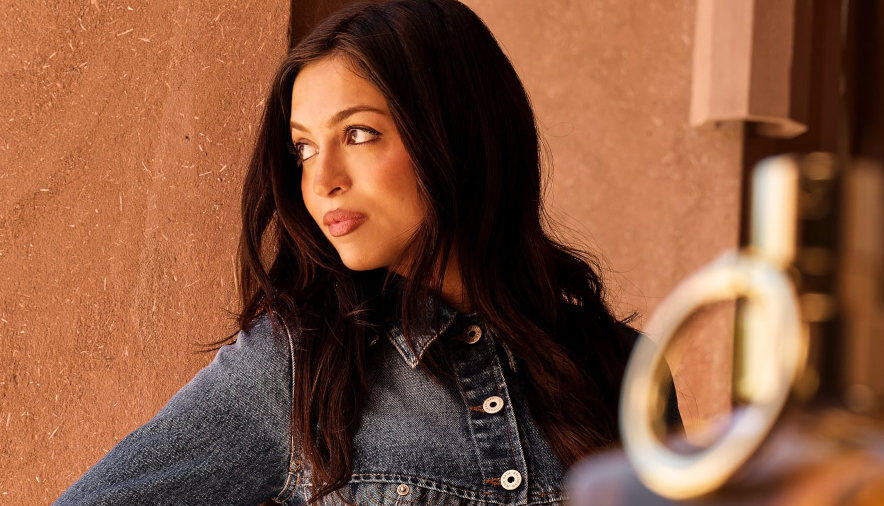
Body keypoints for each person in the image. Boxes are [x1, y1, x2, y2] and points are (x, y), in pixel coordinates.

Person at [55, 0, 676, 504]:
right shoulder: (296, 369)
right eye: (302, 148)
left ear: (456, 135)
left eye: (358, 133)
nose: (321, 179)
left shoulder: (624, 372)